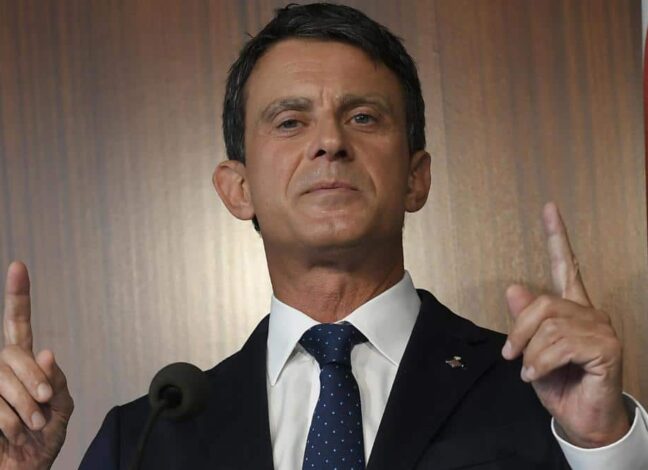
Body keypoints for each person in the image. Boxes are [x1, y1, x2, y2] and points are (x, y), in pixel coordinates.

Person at [0, 3, 646, 469]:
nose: (330, 142)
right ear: (238, 188)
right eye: (289, 122)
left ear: (416, 177)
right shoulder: (146, 439)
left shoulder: (544, 398)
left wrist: (601, 445)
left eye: (363, 117)